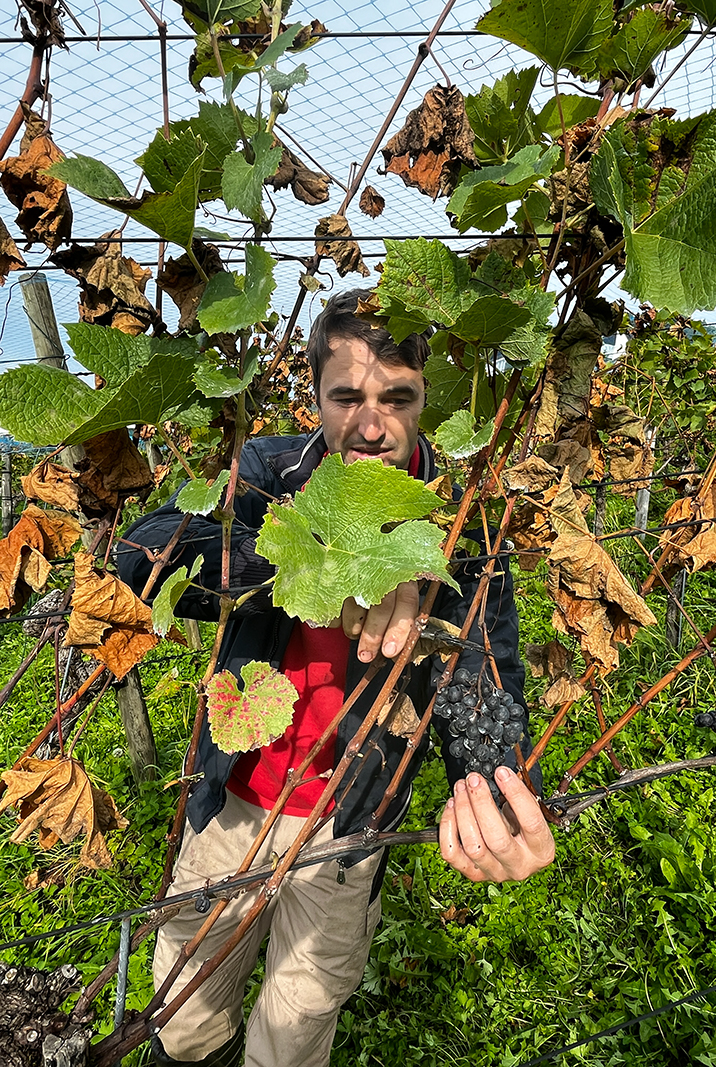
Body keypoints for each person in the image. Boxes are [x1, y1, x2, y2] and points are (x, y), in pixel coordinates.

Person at [118, 289, 555, 1067]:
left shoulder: (460, 520)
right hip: (233, 803)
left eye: (397, 397)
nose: (371, 424)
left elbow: (484, 671)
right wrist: (326, 550)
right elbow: (144, 548)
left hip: (348, 828)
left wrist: (490, 791)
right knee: (179, 1025)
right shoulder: (272, 467)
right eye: (345, 396)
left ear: (427, 397)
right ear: (313, 395)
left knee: (291, 1042)